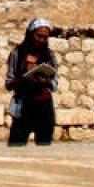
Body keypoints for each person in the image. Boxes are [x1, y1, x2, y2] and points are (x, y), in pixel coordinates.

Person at [5, 18, 58, 146]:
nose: (41, 40)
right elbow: (9, 83)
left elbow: (54, 84)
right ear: (30, 34)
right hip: (24, 105)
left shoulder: (49, 55)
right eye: (38, 36)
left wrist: (45, 81)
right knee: (16, 146)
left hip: (44, 106)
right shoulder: (17, 53)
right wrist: (24, 77)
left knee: (44, 146)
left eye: (45, 37)